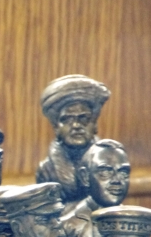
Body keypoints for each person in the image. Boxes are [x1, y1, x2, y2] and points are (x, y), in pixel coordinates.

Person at [36, 75, 112, 214]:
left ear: (94, 124)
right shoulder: (47, 170)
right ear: (56, 127)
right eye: (67, 119)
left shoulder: (110, 162)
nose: (76, 125)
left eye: (84, 118)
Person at [62, 139, 132, 237]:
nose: (117, 180)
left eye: (123, 172)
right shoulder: (67, 227)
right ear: (85, 177)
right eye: (105, 172)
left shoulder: (136, 222)